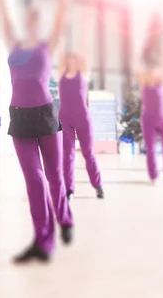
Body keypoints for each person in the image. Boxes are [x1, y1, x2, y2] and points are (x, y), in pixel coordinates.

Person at [0, 0, 73, 264]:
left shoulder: (47, 46)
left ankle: (65, 218)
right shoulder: (14, 46)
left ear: (41, 23)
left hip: (46, 115)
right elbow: (4, 16)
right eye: (31, 16)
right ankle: (42, 240)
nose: (33, 20)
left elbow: (61, 21)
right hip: (20, 117)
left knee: (55, 177)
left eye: (38, 18)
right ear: (26, 19)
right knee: (34, 180)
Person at [58, 21, 104, 200]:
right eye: (70, 58)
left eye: (75, 58)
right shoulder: (62, 72)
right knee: (67, 156)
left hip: (83, 118)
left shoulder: (84, 73)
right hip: (65, 118)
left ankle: (98, 185)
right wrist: (61, 32)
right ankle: (68, 189)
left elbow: (85, 50)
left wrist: (86, 29)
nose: (72, 60)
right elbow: (60, 51)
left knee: (88, 153)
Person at [137, 13, 163, 184]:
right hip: (149, 118)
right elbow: (141, 65)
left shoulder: (161, 78)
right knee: (151, 148)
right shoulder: (145, 79)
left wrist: (162, 36)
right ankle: (153, 176)